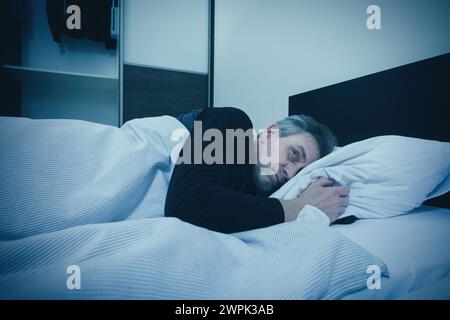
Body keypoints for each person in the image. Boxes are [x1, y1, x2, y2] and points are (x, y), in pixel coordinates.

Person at [165, 107, 350, 233]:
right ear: (270, 133)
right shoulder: (233, 123)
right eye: (294, 154)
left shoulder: (261, 195)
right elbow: (187, 204)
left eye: (300, 172)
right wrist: (302, 207)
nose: (291, 173)